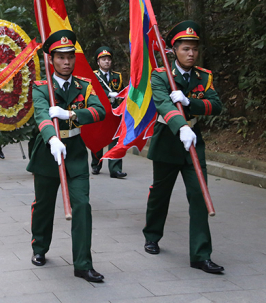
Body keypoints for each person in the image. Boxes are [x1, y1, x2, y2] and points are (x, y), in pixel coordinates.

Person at [142, 20, 224, 274]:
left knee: (199, 195)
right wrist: (181, 126)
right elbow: (163, 104)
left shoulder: (204, 76)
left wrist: (190, 102)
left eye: (194, 49)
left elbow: (216, 105)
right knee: (160, 193)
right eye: (186, 49)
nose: (191, 53)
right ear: (174, 50)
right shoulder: (160, 75)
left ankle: (201, 255)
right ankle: (152, 235)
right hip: (168, 139)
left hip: (194, 142)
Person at [27, 30, 106, 283]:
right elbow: (41, 115)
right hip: (48, 151)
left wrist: (71, 115)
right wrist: (52, 138)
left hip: (74, 152)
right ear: (51, 60)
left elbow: (99, 111)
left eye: (70, 56)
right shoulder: (41, 87)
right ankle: (39, 247)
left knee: (82, 204)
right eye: (60, 57)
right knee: (44, 205)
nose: (66, 62)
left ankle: (83, 263)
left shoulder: (84, 85)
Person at [90, 46, 127, 178]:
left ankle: (115, 169)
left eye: (108, 59)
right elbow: (93, 91)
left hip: (114, 113)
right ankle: (96, 164)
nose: (107, 62)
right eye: (103, 59)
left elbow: (122, 94)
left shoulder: (117, 76)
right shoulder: (93, 76)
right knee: (97, 139)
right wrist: (107, 94)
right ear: (98, 62)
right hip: (99, 112)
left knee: (116, 140)